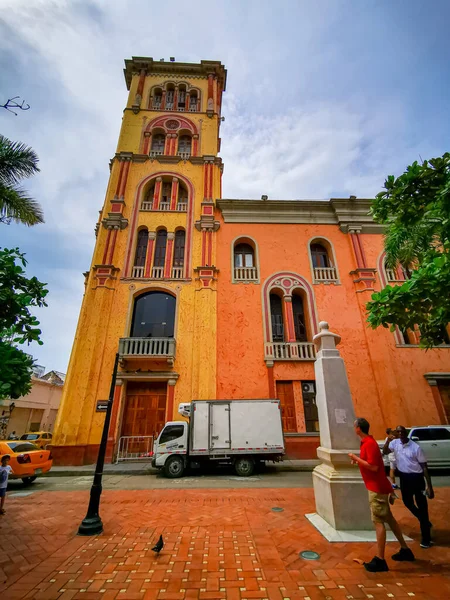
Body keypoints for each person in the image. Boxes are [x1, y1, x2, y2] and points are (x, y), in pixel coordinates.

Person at [349, 418, 414, 572]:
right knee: (390, 520)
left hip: (376, 489)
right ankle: (405, 549)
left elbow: (373, 467)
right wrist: (359, 461)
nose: (353, 428)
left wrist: (355, 458)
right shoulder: (367, 443)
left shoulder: (369, 444)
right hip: (379, 486)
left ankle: (380, 559)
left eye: (354, 426)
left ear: (358, 428)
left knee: (378, 522)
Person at [383, 425, 434, 548]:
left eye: (402, 431)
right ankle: (424, 520)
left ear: (406, 433)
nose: (400, 434)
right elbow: (385, 452)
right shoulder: (394, 443)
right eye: (398, 431)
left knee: (422, 506)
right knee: (407, 502)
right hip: (404, 478)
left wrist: (429, 486)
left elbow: (424, 467)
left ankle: (426, 538)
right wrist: (388, 441)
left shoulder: (415, 448)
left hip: (417, 479)